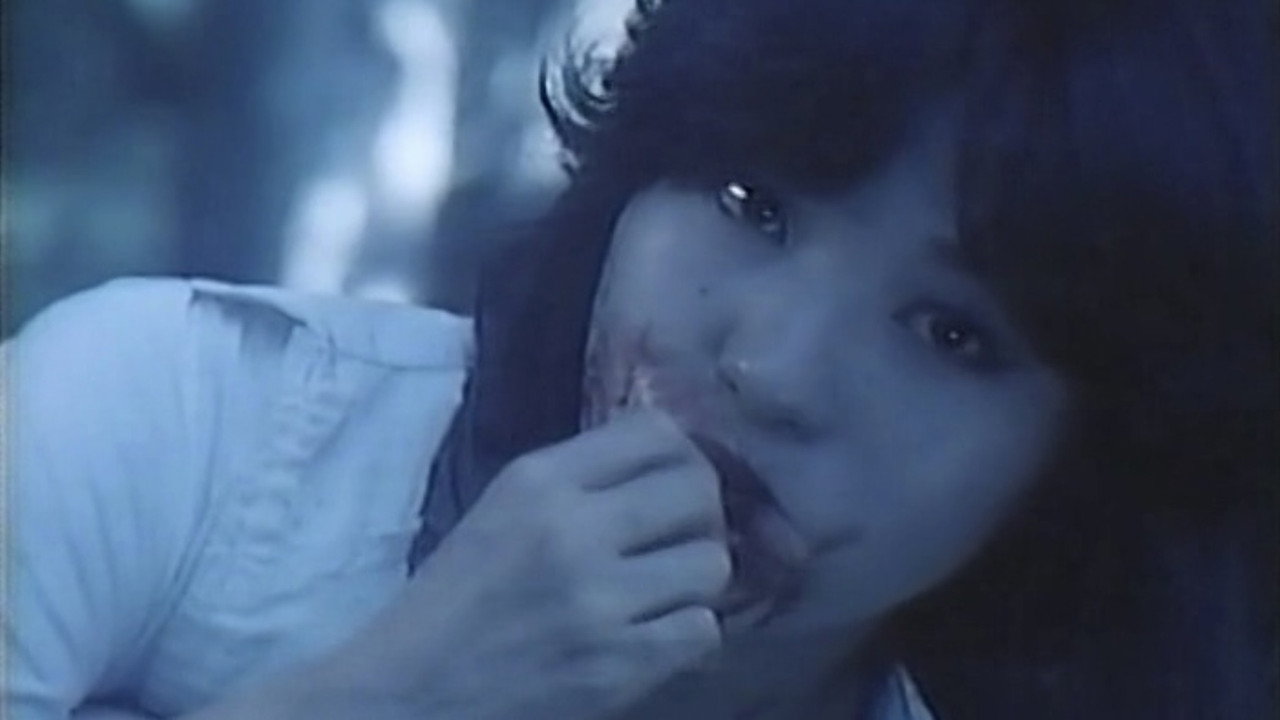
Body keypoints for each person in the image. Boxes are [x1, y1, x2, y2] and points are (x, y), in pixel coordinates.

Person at [5, 0, 1275, 718]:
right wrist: (401, 691)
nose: (770, 368)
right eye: (747, 201)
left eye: (950, 333)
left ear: (1079, 450)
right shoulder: (172, 421)